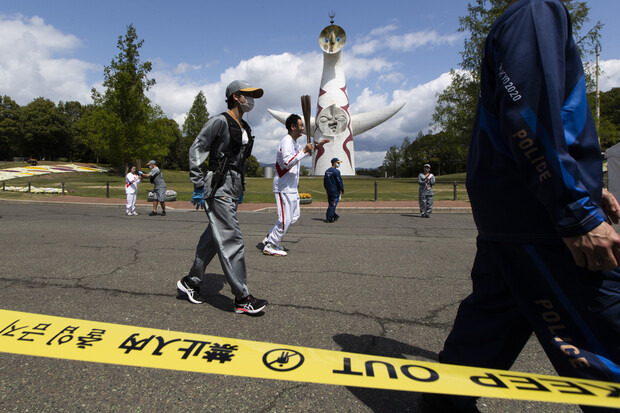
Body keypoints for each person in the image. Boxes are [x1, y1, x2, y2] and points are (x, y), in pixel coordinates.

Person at [421, 1, 620, 412]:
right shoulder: (535, 11)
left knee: (492, 319)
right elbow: (528, 116)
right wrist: (575, 209)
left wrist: (587, 185)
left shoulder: (526, 16)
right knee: (604, 339)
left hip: (512, 213)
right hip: (541, 221)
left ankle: (443, 404)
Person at [176, 80, 268, 315]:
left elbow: (241, 161)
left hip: (232, 186)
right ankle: (242, 298)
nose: (252, 99)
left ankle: (190, 282)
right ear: (236, 96)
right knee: (231, 238)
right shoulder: (220, 121)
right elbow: (197, 148)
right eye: (248, 95)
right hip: (218, 184)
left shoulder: (245, 127)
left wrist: (241, 187)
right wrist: (198, 184)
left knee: (214, 238)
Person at [262, 114, 327, 256]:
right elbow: (287, 163)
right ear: (293, 127)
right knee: (285, 219)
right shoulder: (286, 141)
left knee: (294, 216)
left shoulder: (294, 143)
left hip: (292, 187)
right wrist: (304, 151)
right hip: (283, 186)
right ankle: (271, 244)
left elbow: (301, 154)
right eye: (301, 125)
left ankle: (270, 237)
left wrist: (315, 147)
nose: (303, 128)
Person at [324, 157, 344, 223]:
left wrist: (326, 189)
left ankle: (334, 215)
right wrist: (342, 189)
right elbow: (339, 181)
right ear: (334, 163)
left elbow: (325, 181)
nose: (339, 164)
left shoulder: (327, 171)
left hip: (329, 190)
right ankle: (329, 218)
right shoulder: (336, 171)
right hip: (335, 190)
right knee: (333, 204)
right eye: (338, 163)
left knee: (331, 203)